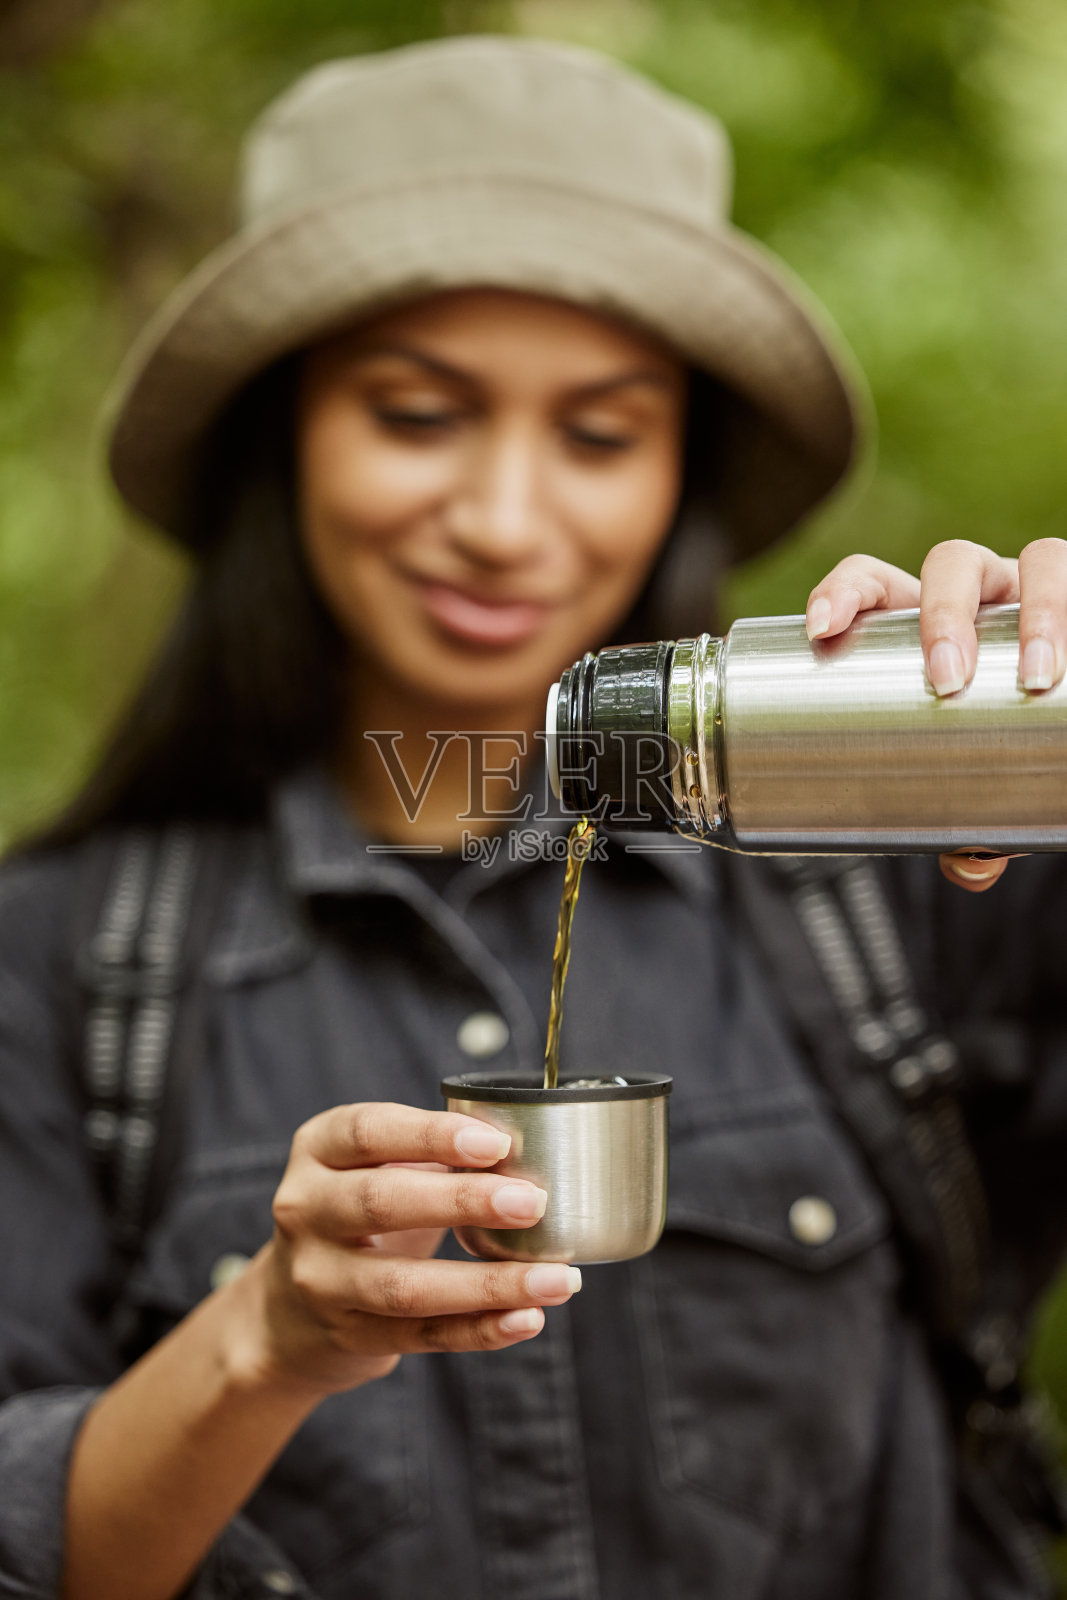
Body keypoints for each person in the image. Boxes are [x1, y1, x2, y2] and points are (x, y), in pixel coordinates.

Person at [1, 34, 1065, 1600]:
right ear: (283, 437)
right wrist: (265, 1338)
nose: (505, 523)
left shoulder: (901, 886)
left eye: (600, 434)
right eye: (417, 414)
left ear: (681, 469)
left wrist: (1028, 706)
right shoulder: (64, 969)